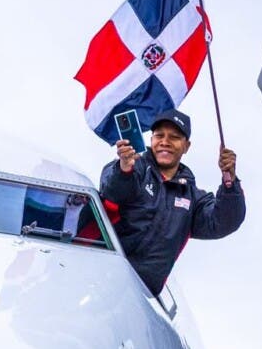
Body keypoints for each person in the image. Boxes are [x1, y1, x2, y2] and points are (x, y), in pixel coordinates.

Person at [99, 108, 245, 296]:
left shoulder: (193, 198)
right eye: (159, 135)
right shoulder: (133, 168)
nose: (165, 142)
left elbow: (224, 221)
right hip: (103, 277)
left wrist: (230, 181)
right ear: (151, 139)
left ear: (186, 146)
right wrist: (124, 169)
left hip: (141, 297)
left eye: (174, 137)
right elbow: (111, 191)